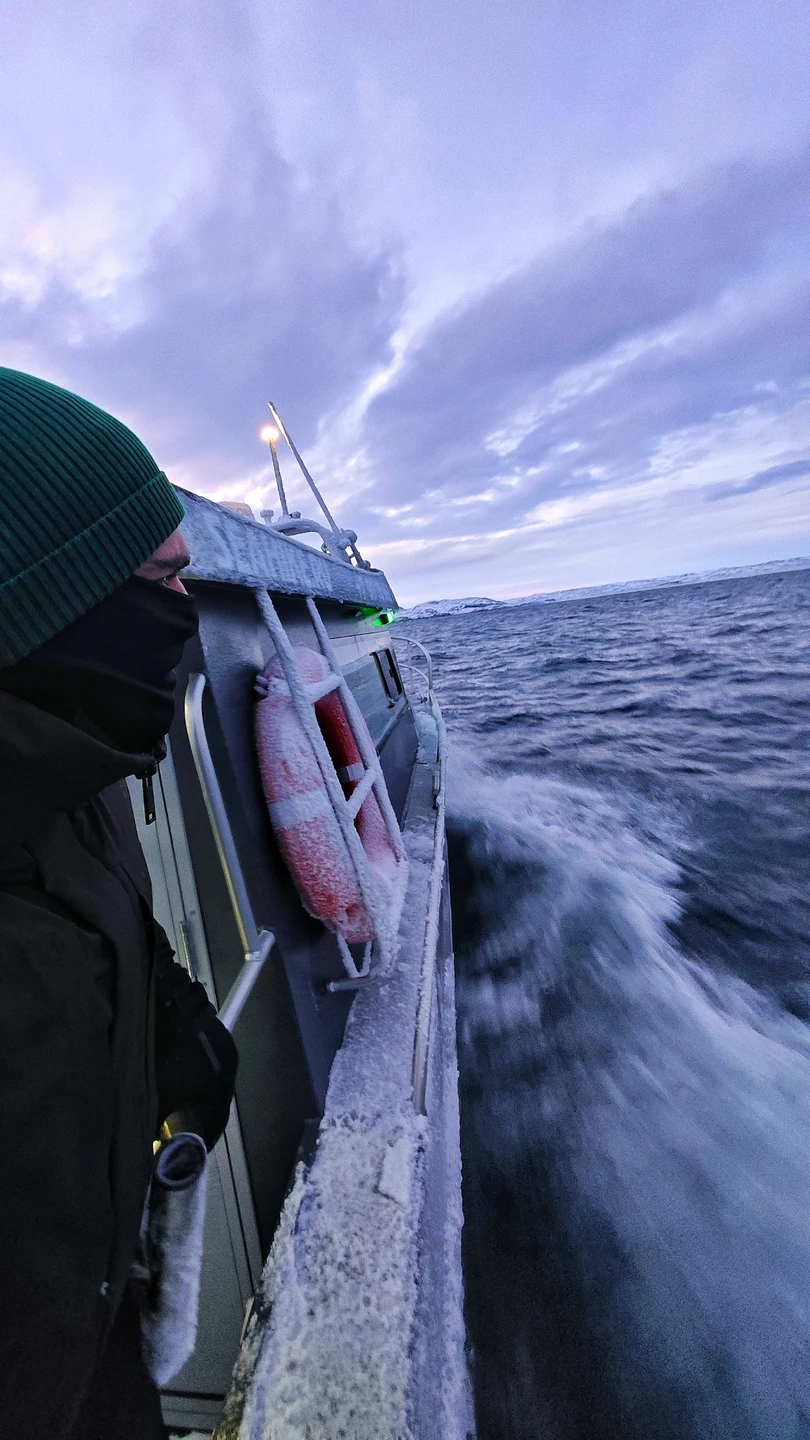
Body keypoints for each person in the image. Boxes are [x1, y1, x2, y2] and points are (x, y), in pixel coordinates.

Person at [0, 368, 238, 1439]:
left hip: (104, 1367)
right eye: (162, 581)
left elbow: (113, 927)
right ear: (46, 608)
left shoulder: (79, 779)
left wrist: (168, 1016)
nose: (188, 622)